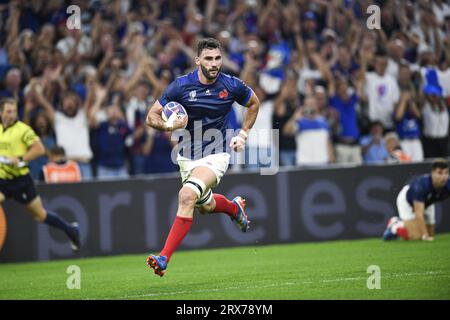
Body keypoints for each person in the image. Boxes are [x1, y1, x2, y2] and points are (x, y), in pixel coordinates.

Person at [145, 38, 260, 277]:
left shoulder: (231, 85)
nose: (214, 63)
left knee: (186, 195)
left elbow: (254, 103)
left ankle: (163, 257)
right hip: (187, 158)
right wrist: (168, 126)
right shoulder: (181, 87)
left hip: (216, 155)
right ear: (198, 60)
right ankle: (233, 208)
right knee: (205, 206)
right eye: (208, 58)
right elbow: (151, 117)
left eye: (218, 58)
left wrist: (244, 133)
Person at [0, 98, 80, 250]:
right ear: (1, 112)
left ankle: (71, 230)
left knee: (40, 215)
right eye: (8, 111)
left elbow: (39, 149)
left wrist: (20, 159)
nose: (12, 115)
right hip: (3, 180)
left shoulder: (22, 130)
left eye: (14, 111)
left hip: (21, 181)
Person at [383, 158, 450, 241]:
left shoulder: (448, 183)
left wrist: (428, 235)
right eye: (440, 173)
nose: (444, 177)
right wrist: (425, 236)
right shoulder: (421, 186)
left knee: (431, 234)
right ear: (432, 173)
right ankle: (396, 224)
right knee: (417, 236)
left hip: (427, 202)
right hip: (407, 201)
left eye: (446, 173)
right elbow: (419, 214)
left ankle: (408, 227)